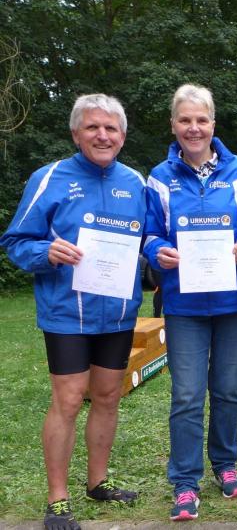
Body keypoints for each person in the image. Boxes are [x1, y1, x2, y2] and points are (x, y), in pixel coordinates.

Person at [1, 94, 145, 530]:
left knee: (107, 396)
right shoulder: (49, 178)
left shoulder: (135, 182)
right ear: (75, 133)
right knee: (67, 400)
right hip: (67, 313)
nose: (102, 135)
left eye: (111, 128)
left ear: (122, 136)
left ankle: (98, 482)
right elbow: (15, 241)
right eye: (92, 127)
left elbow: (149, 240)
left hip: (117, 313)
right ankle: (58, 499)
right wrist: (46, 252)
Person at [143, 84, 237, 521]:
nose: (194, 128)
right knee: (187, 395)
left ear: (213, 123)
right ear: (173, 124)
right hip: (184, 305)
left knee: (227, 390)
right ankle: (185, 482)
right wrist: (157, 251)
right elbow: (149, 232)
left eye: (201, 119)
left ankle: (226, 466)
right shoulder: (160, 176)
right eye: (185, 120)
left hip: (232, 303)